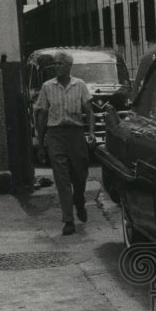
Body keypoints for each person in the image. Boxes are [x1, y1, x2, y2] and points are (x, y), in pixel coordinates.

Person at [34, 52, 96, 235]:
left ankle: (79, 201)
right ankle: (68, 219)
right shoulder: (47, 87)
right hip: (55, 135)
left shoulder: (80, 85)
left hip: (76, 134)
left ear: (69, 66)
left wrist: (91, 133)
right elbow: (42, 115)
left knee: (80, 175)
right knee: (61, 178)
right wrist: (41, 142)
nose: (56, 67)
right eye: (55, 64)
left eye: (60, 64)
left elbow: (89, 112)